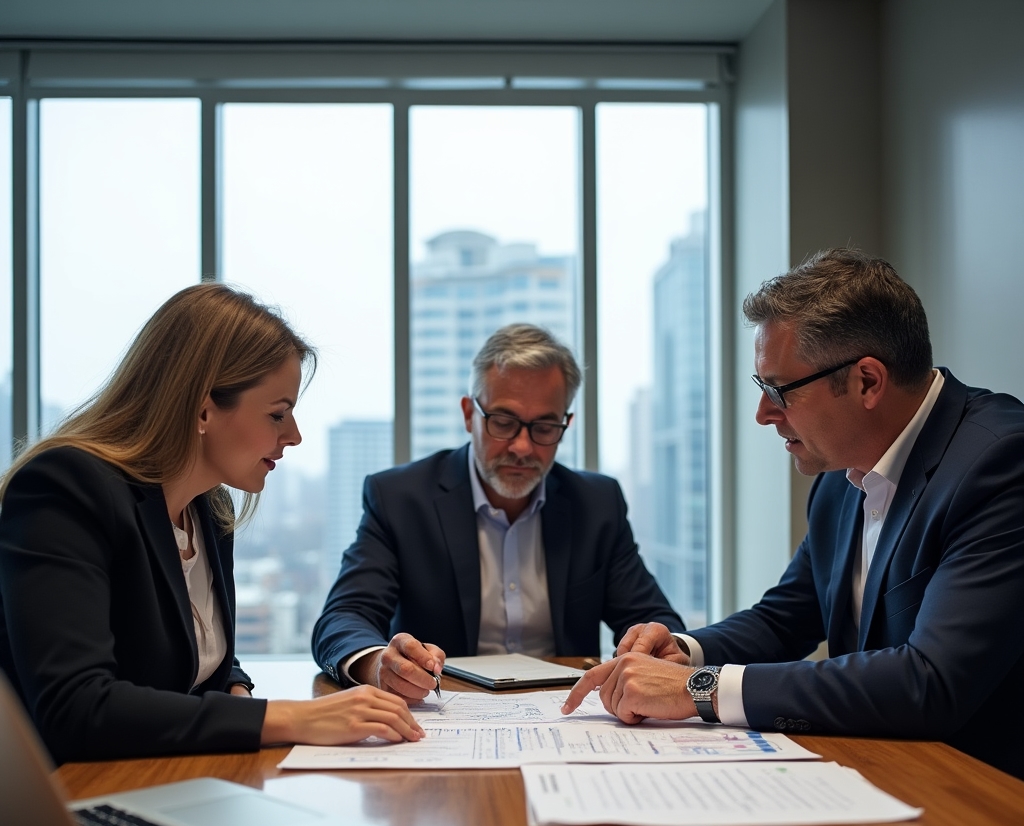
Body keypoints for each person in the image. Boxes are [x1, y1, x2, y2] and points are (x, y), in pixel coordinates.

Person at [563, 249, 1024, 779]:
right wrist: (686, 653)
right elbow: (789, 617)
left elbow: (931, 680)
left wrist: (701, 689)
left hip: (982, 797)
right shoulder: (841, 473)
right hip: (881, 773)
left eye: (779, 390)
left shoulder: (1000, 463)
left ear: (867, 382)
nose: (763, 414)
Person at [0, 284, 423, 764]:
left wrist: (238, 692)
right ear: (203, 408)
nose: (295, 435)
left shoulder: (209, 506)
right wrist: (288, 718)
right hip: (76, 803)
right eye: (278, 413)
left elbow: (200, 659)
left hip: (175, 780)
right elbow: (76, 707)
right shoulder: (66, 486)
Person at [312, 324, 683, 700]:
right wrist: (377, 664)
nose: (522, 447)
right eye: (503, 422)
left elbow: (656, 623)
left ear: (565, 424)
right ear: (468, 414)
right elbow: (344, 618)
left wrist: (652, 648)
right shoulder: (399, 498)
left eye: (543, 427)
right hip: (441, 708)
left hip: (569, 713)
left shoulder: (596, 503)